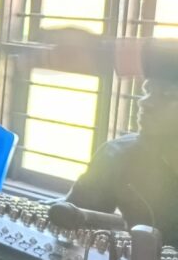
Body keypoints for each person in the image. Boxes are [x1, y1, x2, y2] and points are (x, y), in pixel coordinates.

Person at [64, 38, 178, 246]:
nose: (145, 102)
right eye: (148, 91)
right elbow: (72, 219)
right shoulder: (117, 154)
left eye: (167, 95)